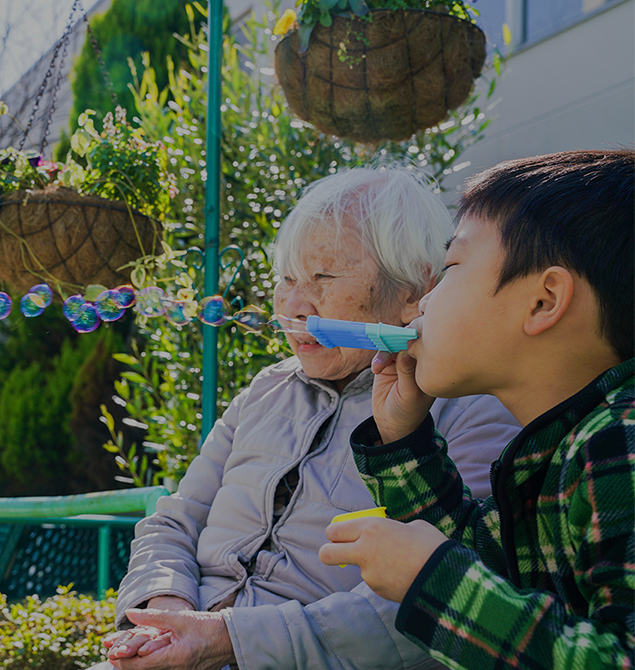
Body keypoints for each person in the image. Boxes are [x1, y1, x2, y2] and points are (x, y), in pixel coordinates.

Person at [95, 167, 522, 670]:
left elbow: (442, 606)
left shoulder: (472, 407)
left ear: (413, 290)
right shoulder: (266, 389)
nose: (295, 306)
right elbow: (175, 518)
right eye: (287, 279)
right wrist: (167, 613)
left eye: (324, 277)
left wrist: (228, 639)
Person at [320, 150, 634, 669]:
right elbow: (485, 559)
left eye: (450, 269)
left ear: (543, 301)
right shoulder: (560, 449)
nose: (423, 303)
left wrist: (435, 580)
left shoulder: (619, 439)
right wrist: (403, 440)